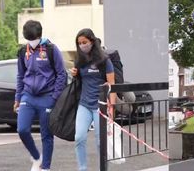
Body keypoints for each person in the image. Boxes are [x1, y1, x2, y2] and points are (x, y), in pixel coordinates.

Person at [14, 20, 67, 171]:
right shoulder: (23, 51)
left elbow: (61, 74)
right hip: (28, 96)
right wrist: (18, 97)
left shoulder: (51, 49)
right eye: (29, 39)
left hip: (47, 97)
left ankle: (45, 167)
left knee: (46, 135)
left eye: (34, 39)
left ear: (40, 35)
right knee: (22, 129)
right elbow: (20, 75)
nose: (32, 42)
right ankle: (36, 157)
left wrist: (54, 97)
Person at [70, 29, 117, 171]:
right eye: (79, 43)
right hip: (84, 104)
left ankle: (103, 168)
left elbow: (111, 84)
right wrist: (74, 74)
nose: (82, 45)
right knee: (79, 137)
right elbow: (78, 80)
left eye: (84, 42)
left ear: (92, 41)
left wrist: (112, 107)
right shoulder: (80, 60)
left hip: (100, 106)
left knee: (99, 141)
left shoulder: (104, 60)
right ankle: (82, 168)